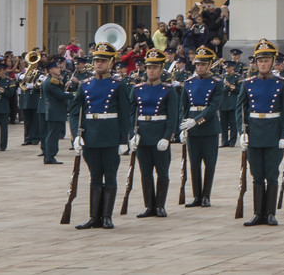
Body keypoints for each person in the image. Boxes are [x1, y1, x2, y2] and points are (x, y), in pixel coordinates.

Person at [69, 41, 135, 230]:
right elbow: (75, 111)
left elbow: (125, 114)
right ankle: (94, 217)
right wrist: (76, 134)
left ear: (110, 63)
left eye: (103, 61)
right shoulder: (85, 84)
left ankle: (106, 216)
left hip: (110, 134)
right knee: (95, 176)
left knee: (110, 175)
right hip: (91, 134)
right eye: (96, 60)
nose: (99, 64)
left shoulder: (118, 85)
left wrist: (124, 139)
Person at [240, 39, 284, 227]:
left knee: (271, 174)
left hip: (273, 133)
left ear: (272, 62)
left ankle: (270, 213)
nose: (263, 64)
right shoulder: (247, 84)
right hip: (254, 133)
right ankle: (257, 213)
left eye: (266, 60)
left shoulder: (283, 84)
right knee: (257, 175)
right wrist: (242, 132)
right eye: (260, 60)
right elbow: (242, 111)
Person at [131, 49, 182, 219]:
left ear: (161, 70)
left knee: (162, 172)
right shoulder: (137, 89)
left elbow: (172, 116)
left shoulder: (168, 90)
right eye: (149, 67)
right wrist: (133, 133)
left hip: (160, 133)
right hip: (143, 134)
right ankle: (149, 205)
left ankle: (160, 204)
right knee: (145, 172)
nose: (151, 71)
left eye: (155, 67)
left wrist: (168, 136)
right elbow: (132, 113)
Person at [179, 48, 223, 206]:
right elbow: (183, 107)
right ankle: (197, 195)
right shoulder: (189, 82)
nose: (200, 67)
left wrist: (196, 120)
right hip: (191, 127)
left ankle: (206, 196)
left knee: (209, 163)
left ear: (209, 65)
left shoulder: (217, 83)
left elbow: (212, 107)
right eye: (197, 64)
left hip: (208, 126)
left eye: (203, 64)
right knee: (194, 163)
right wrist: (183, 127)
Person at [40, 60, 69, 164]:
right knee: (53, 134)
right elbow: (60, 95)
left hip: (55, 110)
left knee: (53, 133)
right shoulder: (51, 81)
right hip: (54, 110)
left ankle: (50, 156)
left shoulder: (53, 80)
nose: (59, 69)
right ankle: (49, 156)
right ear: (51, 70)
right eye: (56, 68)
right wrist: (74, 94)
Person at [19, 60, 43, 146]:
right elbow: (19, 83)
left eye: (34, 63)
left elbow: (40, 84)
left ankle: (36, 138)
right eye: (30, 63)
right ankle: (27, 138)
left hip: (34, 99)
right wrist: (22, 77)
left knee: (35, 120)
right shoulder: (23, 74)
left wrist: (32, 85)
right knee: (27, 120)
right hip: (25, 99)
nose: (32, 65)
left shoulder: (40, 74)